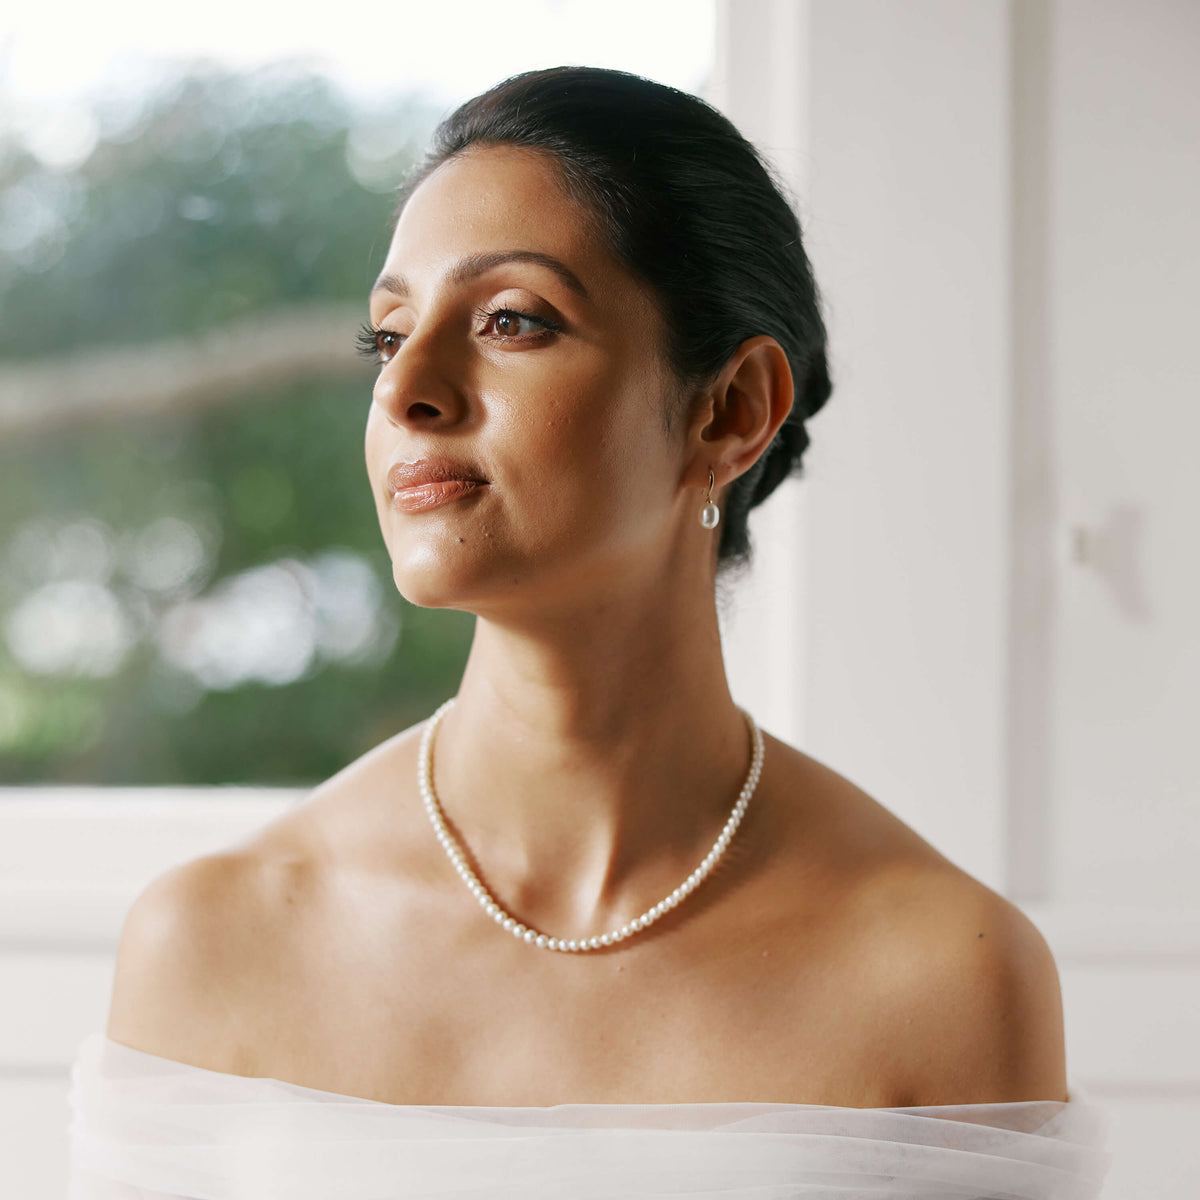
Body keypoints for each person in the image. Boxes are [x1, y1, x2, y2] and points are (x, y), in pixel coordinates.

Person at [67, 66, 1110, 1197]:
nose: (407, 389)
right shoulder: (214, 943)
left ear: (732, 409)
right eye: (387, 335)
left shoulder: (944, 978)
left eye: (511, 321)